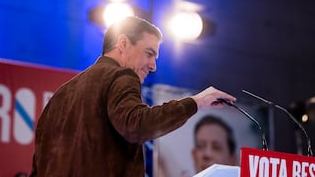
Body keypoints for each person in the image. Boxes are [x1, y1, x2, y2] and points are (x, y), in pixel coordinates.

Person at [29, 16, 236, 177]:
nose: (153, 65)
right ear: (123, 43)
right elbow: (136, 124)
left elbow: (38, 167)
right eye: (149, 53)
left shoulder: (58, 97)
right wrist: (196, 102)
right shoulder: (121, 75)